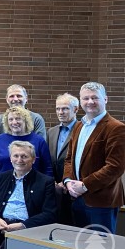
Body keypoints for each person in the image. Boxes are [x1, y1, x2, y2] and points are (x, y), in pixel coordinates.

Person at [63, 82, 125, 233]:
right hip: (77, 198)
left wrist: (85, 185)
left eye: (94, 98)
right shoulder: (79, 125)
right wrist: (68, 181)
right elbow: (69, 158)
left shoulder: (116, 128)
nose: (90, 102)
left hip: (101, 201)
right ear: (80, 101)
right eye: (86, 98)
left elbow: (114, 167)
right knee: (80, 248)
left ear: (105, 99)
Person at [0, 106, 52, 178]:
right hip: (3, 185)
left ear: (25, 121)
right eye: (11, 119)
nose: (14, 122)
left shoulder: (39, 141)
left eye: (18, 119)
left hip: (33, 185)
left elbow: (47, 168)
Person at [48, 93, 79, 225]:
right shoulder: (51, 132)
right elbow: (49, 161)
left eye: (65, 108)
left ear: (76, 109)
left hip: (74, 189)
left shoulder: (82, 129)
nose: (60, 112)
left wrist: (66, 181)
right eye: (58, 109)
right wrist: (53, 182)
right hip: (54, 189)